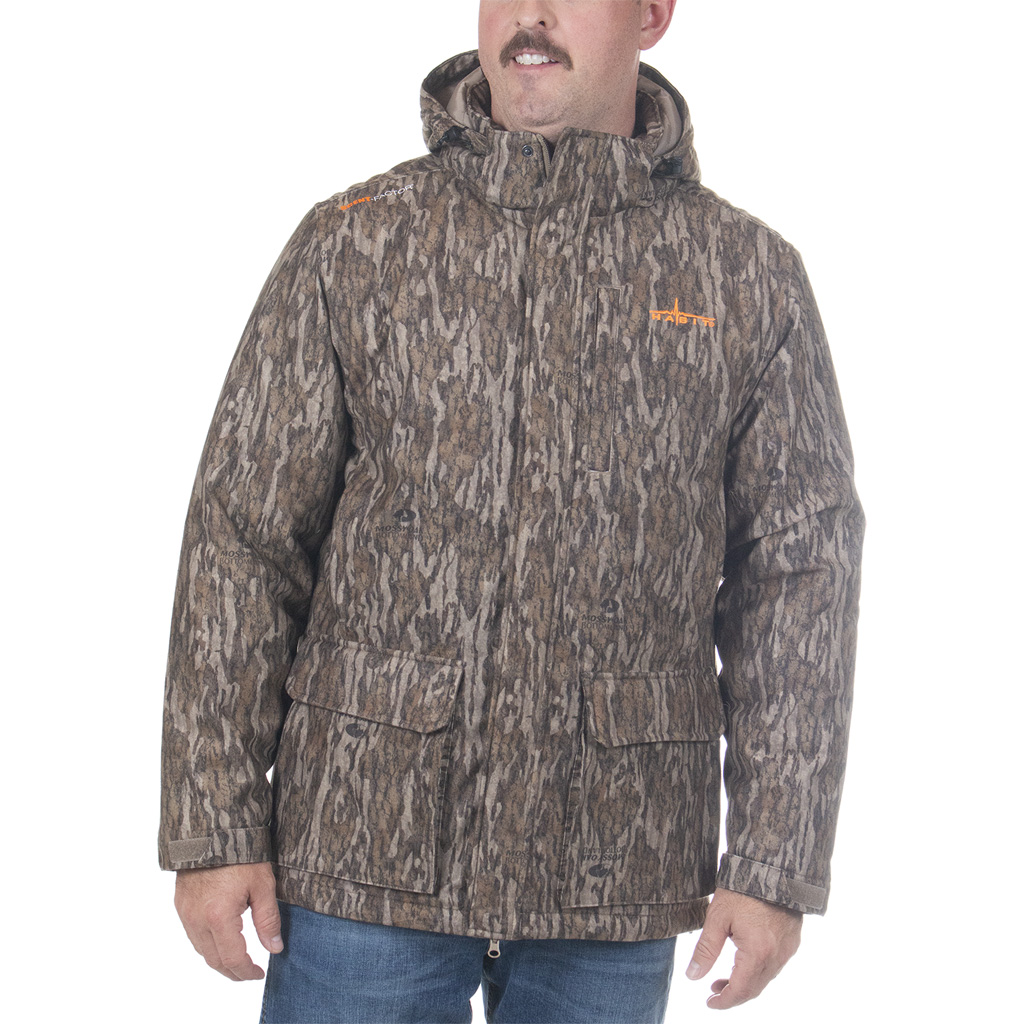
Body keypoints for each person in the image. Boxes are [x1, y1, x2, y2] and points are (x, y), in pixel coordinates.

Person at [159, 2, 864, 1020]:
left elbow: (798, 571)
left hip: (613, 869)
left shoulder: (743, 274)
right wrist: (215, 823)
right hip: (362, 852)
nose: (530, 14)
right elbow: (243, 538)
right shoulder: (356, 242)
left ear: (651, 14)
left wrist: (775, 861)